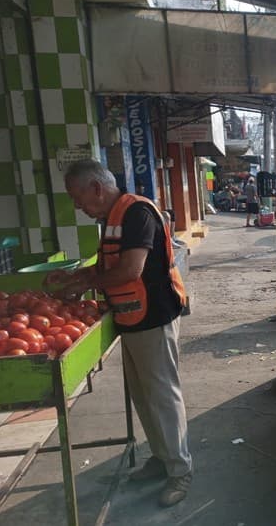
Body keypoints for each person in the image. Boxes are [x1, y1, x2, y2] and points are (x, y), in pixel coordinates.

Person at [45, 160, 192, 507]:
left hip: (154, 317)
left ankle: (180, 472)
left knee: (162, 396)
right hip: (131, 319)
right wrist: (78, 281)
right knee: (143, 396)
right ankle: (161, 459)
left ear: (96, 188)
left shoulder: (136, 213)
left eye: (76, 196)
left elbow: (130, 269)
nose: (77, 206)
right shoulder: (111, 219)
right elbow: (108, 265)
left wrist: (89, 282)